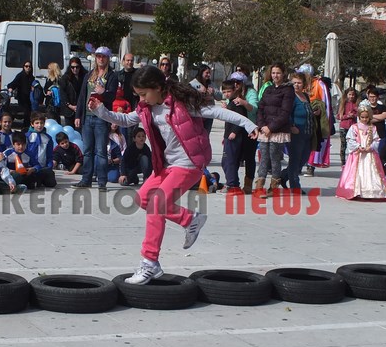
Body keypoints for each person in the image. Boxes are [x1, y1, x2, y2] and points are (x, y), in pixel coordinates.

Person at [87, 65, 258, 284]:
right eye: (138, 95)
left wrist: (248, 124)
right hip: (167, 165)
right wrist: (100, 111)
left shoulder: (183, 104)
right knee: (143, 198)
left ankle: (150, 262)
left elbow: (217, 112)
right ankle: (190, 219)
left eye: (144, 94)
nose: (141, 99)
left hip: (189, 164)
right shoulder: (147, 108)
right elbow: (126, 120)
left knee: (157, 203)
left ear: (158, 87)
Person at [73, 46, 118, 191]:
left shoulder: (111, 76)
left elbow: (112, 97)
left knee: (101, 151)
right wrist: (78, 115)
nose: (101, 59)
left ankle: (102, 182)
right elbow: (82, 96)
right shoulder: (89, 75)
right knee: (87, 150)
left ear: (108, 58)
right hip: (87, 117)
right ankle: (86, 179)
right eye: (98, 56)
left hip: (101, 118)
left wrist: (104, 92)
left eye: (103, 56)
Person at [255, 63, 294, 197]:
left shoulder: (288, 90)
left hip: (277, 130)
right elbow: (260, 108)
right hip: (264, 129)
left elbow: (285, 112)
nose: (275, 76)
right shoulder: (268, 89)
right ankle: (259, 185)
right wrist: (262, 125)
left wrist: (271, 127)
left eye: (278, 73)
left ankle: (274, 187)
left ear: (283, 74)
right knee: (263, 158)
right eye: (273, 73)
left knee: (274, 158)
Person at [336, 105, 386, 200]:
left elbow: (377, 140)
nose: (364, 119)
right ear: (359, 117)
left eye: (366, 117)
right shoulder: (354, 127)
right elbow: (350, 139)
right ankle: (356, 191)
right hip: (358, 154)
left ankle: (369, 191)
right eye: (362, 117)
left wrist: (371, 147)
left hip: (369, 155)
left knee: (369, 172)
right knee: (357, 173)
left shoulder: (373, 128)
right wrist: (358, 146)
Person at [281, 72, 315, 193]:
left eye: (299, 83)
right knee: (295, 161)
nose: (296, 85)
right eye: (294, 83)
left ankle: (284, 175)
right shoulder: (290, 97)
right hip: (295, 134)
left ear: (303, 84)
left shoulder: (305, 96)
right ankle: (295, 187)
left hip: (307, 133)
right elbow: (286, 113)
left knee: (303, 159)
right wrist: (291, 126)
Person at [220, 79, 249, 193]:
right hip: (228, 136)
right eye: (224, 92)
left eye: (229, 91)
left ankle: (232, 185)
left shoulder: (237, 103)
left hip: (234, 136)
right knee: (226, 161)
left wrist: (235, 132)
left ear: (234, 90)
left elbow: (241, 119)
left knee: (229, 161)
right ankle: (233, 183)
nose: (226, 94)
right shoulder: (231, 103)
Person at [230, 71, 258, 194]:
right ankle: (233, 182)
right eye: (233, 82)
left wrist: (244, 103)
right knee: (234, 157)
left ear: (243, 83)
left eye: (238, 82)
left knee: (249, 157)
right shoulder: (232, 92)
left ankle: (248, 183)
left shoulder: (251, 93)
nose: (235, 84)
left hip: (249, 129)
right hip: (236, 129)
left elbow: (254, 109)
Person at [189, 64, 223, 134]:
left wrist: (213, 92)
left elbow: (219, 97)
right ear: (201, 72)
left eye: (209, 73)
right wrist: (199, 93)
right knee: (197, 134)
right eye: (206, 73)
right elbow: (188, 97)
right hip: (197, 113)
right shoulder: (192, 84)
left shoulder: (211, 84)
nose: (209, 75)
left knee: (206, 133)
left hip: (209, 113)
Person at [26, 112, 57, 188]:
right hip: (30, 167)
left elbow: (49, 155)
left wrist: (49, 166)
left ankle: (41, 179)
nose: (39, 125)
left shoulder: (48, 138)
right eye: (37, 123)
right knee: (31, 185)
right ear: (32, 124)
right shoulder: (27, 137)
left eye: (41, 123)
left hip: (43, 167)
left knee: (51, 183)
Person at [59, 57, 87, 127]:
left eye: (77, 67)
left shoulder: (85, 76)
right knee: (69, 129)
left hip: (81, 109)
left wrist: (80, 106)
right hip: (69, 110)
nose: (75, 69)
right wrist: (70, 106)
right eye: (73, 67)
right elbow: (63, 94)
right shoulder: (65, 78)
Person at [7, 60, 35, 127]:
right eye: (26, 66)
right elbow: (13, 83)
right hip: (22, 97)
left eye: (29, 66)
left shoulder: (31, 77)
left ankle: (26, 127)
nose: (28, 68)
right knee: (26, 112)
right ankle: (24, 127)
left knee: (29, 113)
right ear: (24, 67)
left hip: (29, 98)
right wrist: (11, 88)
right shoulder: (20, 75)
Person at [337, 88, 359, 167]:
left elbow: (360, 115)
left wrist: (354, 115)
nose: (351, 96)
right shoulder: (343, 104)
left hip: (353, 127)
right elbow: (339, 116)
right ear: (346, 95)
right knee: (343, 145)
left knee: (353, 145)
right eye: (350, 94)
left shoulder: (356, 104)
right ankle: (343, 162)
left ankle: (352, 161)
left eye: (353, 95)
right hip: (344, 127)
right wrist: (347, 116)